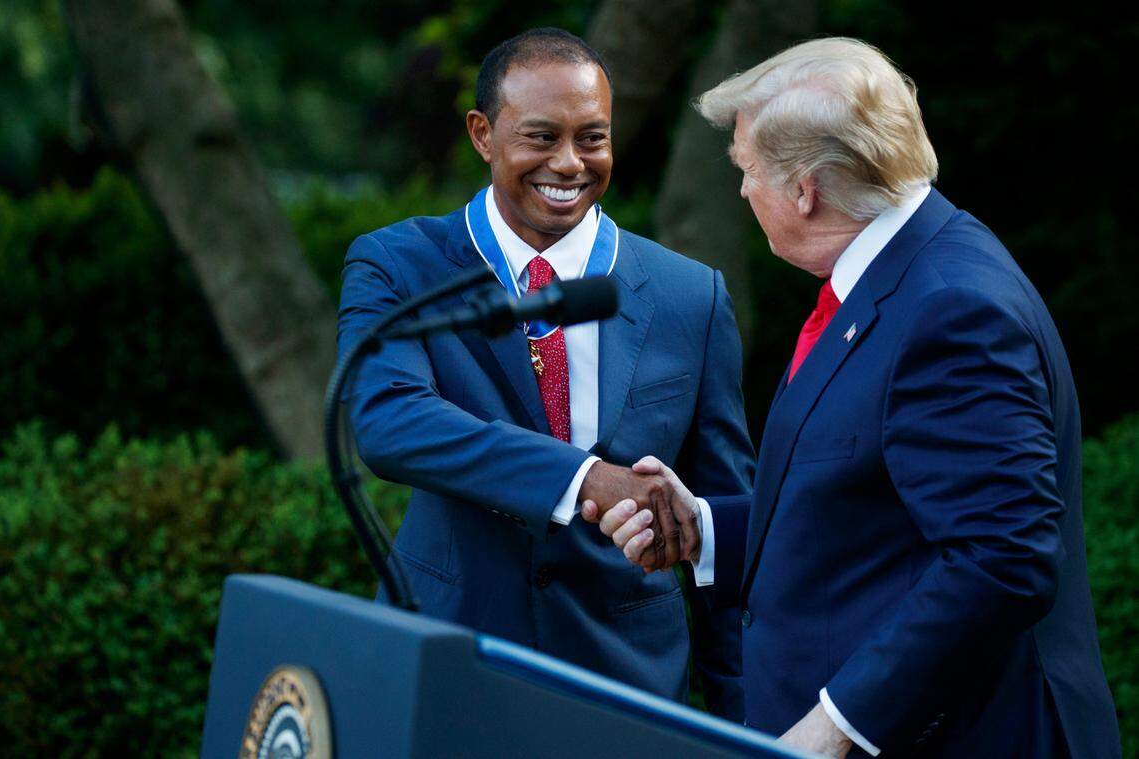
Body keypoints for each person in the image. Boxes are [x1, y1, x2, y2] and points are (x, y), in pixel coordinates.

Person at [586, 37, 1120, 757]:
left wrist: (836, 724)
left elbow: (1002, 557)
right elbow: (874, 514)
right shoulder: (895, 271)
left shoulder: (953, 307)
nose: (742, 191)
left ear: (805, 189)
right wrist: (707, 529)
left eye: (747, 169)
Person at [336, 28, 753, 716]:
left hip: (626, 682)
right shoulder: (400, 263)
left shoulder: (690, 295)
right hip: (448, 657)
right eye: (540, 137)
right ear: (482, 133)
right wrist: (583, 477)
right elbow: (388, 421)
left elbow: (717, 518)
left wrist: (748, 721)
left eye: (592, 138)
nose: (569, 163)